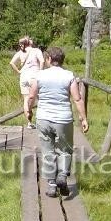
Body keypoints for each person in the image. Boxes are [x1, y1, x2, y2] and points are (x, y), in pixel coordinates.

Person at [26, 47, 89, 198]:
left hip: (44, 119)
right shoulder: (69, 76)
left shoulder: (39, 75)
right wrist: (84, 118)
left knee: (48, 151)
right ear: (62, 60)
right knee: (65, 150)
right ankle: (62, 175)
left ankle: (52, 186)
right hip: (63, 119)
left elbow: (31, 96)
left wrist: (28, 110)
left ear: (48, 59)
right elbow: (77, 98)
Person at [10, 36, 44, 129]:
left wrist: (18, 71)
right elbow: (42, 61)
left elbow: (12, 63)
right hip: (34, 76)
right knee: (39, 98)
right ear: (29, 42)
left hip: (24, 76)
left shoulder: (20, 53)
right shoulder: (36, 51)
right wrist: (40, 72)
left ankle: (29, 123)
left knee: (26, 99)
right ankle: (41, 121)